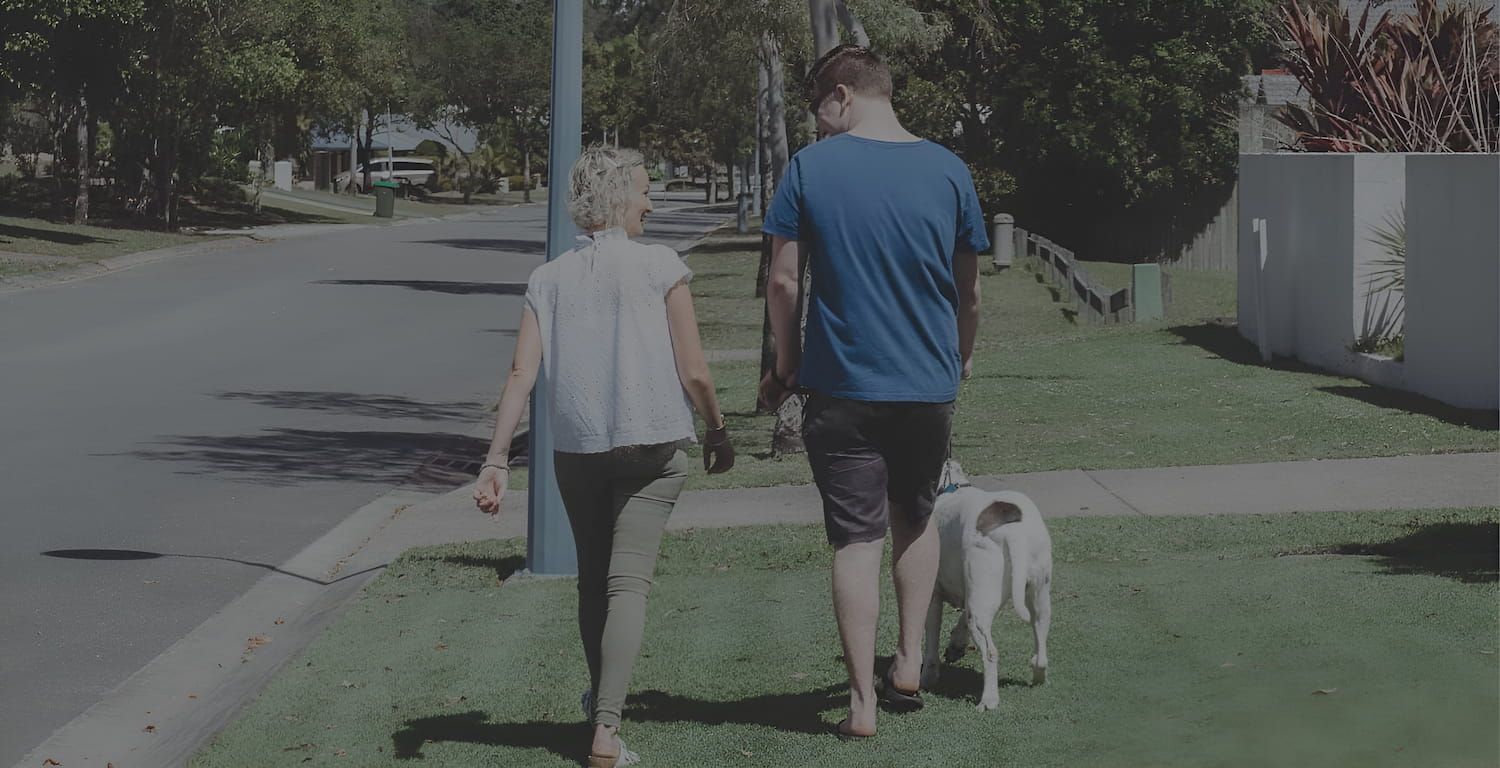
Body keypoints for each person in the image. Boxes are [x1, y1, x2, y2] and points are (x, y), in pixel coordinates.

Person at [474, 145, 735, 767]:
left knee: (595, 581)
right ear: (620, 197)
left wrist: (494, 460)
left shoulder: (548, 278)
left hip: (578, 451)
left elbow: (520, 373)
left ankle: (601, 711)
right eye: (645, 189)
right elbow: (694, 370)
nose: (651, 200)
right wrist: (718, 431)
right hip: (653, 446)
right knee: (629, 584)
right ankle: (607, 730)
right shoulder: (660, 264)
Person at [758, 44, 988, 740]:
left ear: (841, 93)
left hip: (842, 387)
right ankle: (911, 661)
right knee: (913, 520)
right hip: (925, 384)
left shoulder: (810, 169)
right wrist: (961, 357)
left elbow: (783, 282)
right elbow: (969, 293)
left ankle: (861, 703)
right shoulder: (950, 170)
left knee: (856, 541)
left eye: (818, 112)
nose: (819, 127)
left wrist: (788, 364)